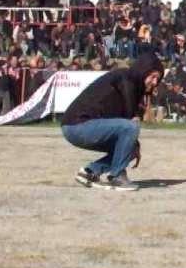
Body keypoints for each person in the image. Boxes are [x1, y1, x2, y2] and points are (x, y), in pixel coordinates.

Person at [61, 52, 163, 191]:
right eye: (153, 77)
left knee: (131, 149)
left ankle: (90, 172)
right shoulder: (126, 77)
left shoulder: (132, 84)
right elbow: (129, 117)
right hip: (78, 125)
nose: (155, 82)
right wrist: (134, 119)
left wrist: (134, 145)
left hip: (78, 127)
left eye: (158, 79)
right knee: (131, 127)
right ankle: (117, 177)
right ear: (143, 71)